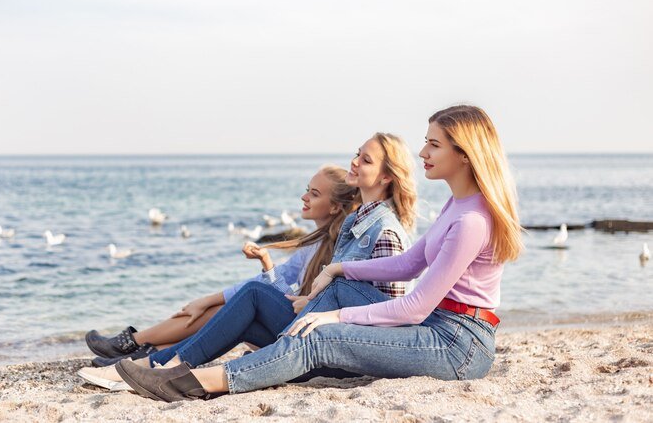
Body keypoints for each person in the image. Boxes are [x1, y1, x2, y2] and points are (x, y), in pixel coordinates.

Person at [114, 105, 524, 401]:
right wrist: (338, 268)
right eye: (425, 143)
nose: (423, 154)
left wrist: (334, 315)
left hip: (458, 346)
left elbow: (414, 306)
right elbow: (411, 263)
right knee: (326, 302)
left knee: (320, 334)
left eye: (434, 145)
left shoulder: (472, 221)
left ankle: (193, 383)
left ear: (465, 154)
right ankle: (194, 363)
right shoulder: (458, 205)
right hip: (440, 328)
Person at [78, 133, 419, 388]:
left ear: (387, 177)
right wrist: (311, 302)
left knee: (254, 296)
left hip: (342, 352)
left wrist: (327, 312)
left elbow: (389, 318)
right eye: (357, 155)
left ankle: (159, 366)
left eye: (367, 160)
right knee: (241, 315)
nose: (355, 162)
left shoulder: (384, 233)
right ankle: (155, 363)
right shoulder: (360, 222)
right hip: (321, 335)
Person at [83, 165, 360, 367]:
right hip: (289, 326)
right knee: (221, 306)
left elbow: (282, 297)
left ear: (335, 207)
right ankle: (140, 353)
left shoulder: (337, 248)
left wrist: (265, 266)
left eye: (314, 194)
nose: (304, 198)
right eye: (306, 190)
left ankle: (135, 346)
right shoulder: (312, 243)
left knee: (244, 299)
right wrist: (206, 299)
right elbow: (278, 286)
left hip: (301, 336)